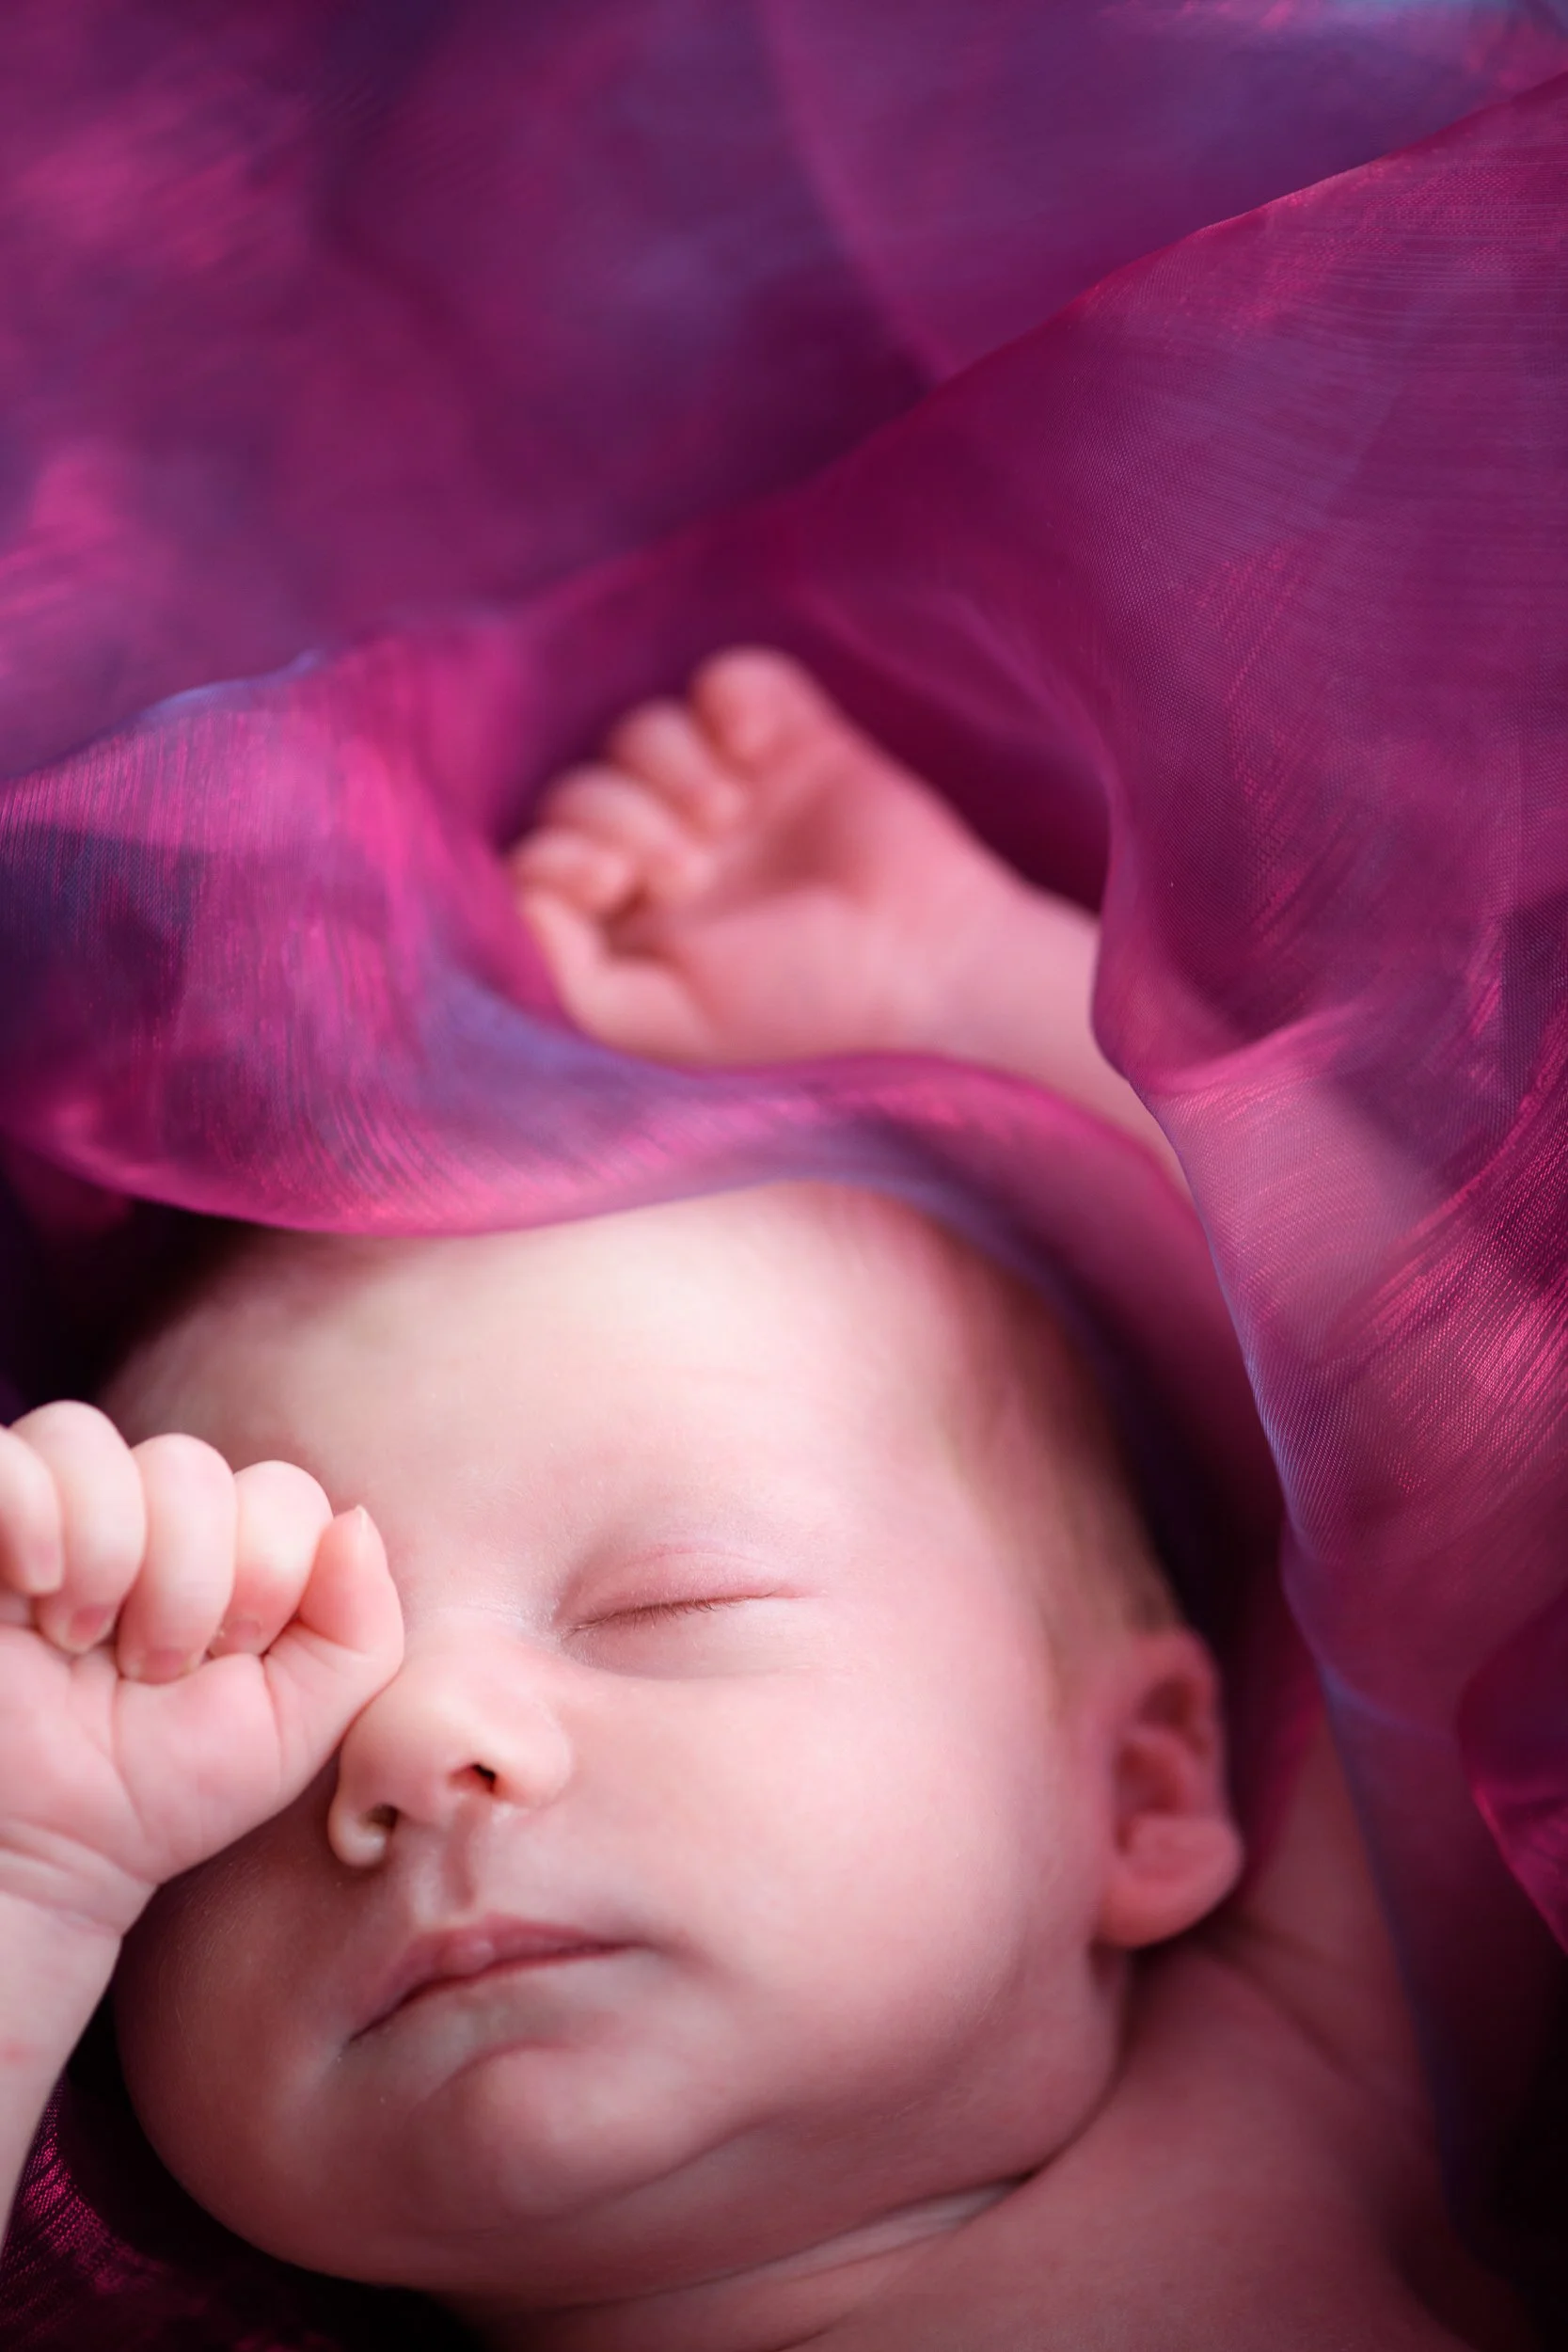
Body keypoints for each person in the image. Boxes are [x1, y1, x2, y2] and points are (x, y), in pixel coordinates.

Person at [0, 652, 1529, 2350]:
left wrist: (967, 991)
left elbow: (1460, 1462)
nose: (421, 1746)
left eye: (665, 1608)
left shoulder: (1299, 2077)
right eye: (256, 1752)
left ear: (1142, 1783)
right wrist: (32, 1869)